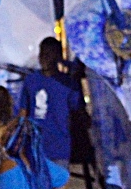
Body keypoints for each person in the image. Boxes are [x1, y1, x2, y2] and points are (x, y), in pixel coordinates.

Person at [19, 37, 84, 173]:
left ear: (58, 56)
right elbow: (23, 112)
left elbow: (78, 113)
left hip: (59, 149)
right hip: (35, 148)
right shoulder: (31, 81)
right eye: (42, 54)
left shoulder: (68, 84)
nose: (44, 58)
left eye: (49, 54)